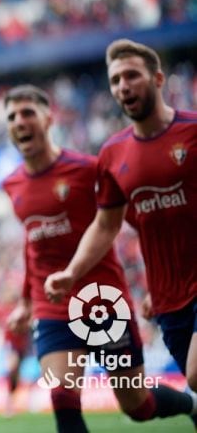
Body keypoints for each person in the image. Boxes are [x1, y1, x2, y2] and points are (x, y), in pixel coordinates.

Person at [1, 84, 195, 432]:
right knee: (62, 397)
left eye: (27, 112)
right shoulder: (12, 184)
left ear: (48, 118)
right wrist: (26, 301)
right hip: (54, 305)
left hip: (102, 299)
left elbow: (137, 220)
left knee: (138, 404)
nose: (19, 121)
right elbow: (32, 245)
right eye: (12, 116)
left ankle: (191, 405)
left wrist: (159, 280)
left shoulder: (87, 169)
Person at [45, 39, 197, 426]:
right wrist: (72, 272)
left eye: (132, 75)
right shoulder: (113, 155)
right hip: (167, 296)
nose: (123, 86)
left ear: (157, 78)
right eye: (115, 80)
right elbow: (106, 223)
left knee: (196, 375)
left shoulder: (193, 133)